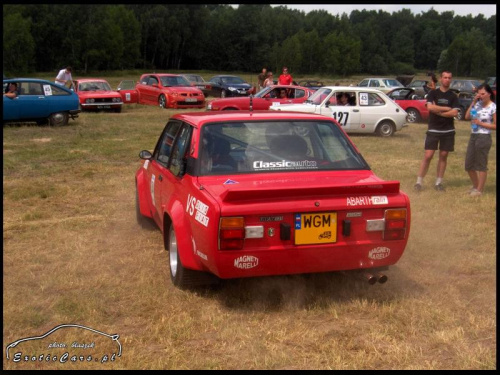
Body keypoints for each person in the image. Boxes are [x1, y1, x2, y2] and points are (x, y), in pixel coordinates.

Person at [414, 70, 460, 192]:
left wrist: (439, 112)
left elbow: (454, 112)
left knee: (443, 155)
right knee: (428, 155)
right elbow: (429, 107)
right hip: (433, 129)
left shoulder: (453, 96)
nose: (447, 80)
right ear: (441, 79)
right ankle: (419, 182)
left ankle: (438, 182)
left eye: (449, 78)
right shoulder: (433, 93)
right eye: (445, 77)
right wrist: (445, 109)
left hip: (448, 130)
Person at [464, 84, 496, 197]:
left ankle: (479, 190)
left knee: (481, 164)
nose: (480, 96)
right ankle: (476, 186)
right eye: (479, 93)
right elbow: (467, 116)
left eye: (483, 94)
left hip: (484, 137)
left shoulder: (493, 107)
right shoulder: (477, 104)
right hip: (474, 135)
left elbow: (495, 125)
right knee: (468, 164)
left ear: (489, 94)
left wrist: (480, 123)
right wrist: (473, 101)